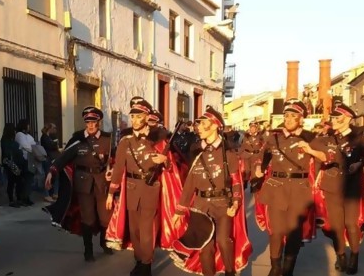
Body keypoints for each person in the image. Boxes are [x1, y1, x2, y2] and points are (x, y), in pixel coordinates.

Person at [105, 96, 183, 276]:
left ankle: (146, 265)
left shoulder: (159, 141)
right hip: (131, 189)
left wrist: (165, 161)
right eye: (132, 117)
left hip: (150, 189)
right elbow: (118, 169)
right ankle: (139, 260)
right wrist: (111, 193)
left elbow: (172, 168)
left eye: (138, 117)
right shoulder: (125, 142)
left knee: (146, 230)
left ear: (146, 118)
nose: (134, 120)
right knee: (134, 231)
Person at [170, 106, 251, 276]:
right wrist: (180, 209)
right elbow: (190, 182)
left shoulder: (228, 152)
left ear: (215, 125)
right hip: (201, 206)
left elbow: (236, 180)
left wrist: (236, 202)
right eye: (198, 124)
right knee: (205, 248)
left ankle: (230, 272)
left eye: (203, 123)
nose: (198, 127)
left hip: (223, 204)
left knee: (223, 240)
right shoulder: (195, 150)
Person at [300, 102, 364, 274]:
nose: (334, 120)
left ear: (347, 119)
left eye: (337, 118)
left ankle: (354, 256)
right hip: (332, 186)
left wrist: (358, 164)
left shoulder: (358, 137)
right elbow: (310, 142)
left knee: (350, 224)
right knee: (337, 225)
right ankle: (341, 256)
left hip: (352, 186)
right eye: (333, 117)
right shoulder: (328, 137)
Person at [254, 99, 317, 276]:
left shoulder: (309, 137)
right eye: (286, 116)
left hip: (299, 189)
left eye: (293, 116)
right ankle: (275, 267)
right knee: (276, 230)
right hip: (276, 187)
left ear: (301, 119)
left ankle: (288, 268)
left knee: (294, 231)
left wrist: (311, 151)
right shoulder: (273, 136)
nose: (288, 119)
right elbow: (263, 155)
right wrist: (259, 167)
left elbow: (326, 156)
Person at [44, 106, 114, 262]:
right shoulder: (77, 139)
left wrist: (113, 172)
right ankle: (88, 250)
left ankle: (104, 242)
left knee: (105, 217)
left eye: (93, 122)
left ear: (99, 122)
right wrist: (52, 172)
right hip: (83, 182)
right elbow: (63, 158)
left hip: (102, 181)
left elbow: (116, 160)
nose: (90, 125)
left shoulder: (107, 140)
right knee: (87, 218)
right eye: (87, 122)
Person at [1, 123, 25, 207]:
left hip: (16, 162)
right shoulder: (5, 140)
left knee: (18, 181)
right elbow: (8, 152)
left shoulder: (11, 140)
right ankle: (11, 200)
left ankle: (18, 198)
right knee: (11, 181)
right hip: (10, 163)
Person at [40, 123, 61, 200]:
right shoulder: (44, 137)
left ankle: (55, 193)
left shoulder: (50, 137)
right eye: (54, 128)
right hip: (48, 158)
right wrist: (55, 144)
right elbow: (50, 146)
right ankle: (46, 194)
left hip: (52, 158)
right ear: (50, 129)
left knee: (56, 175)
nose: (55, 130)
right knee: (47, 176)